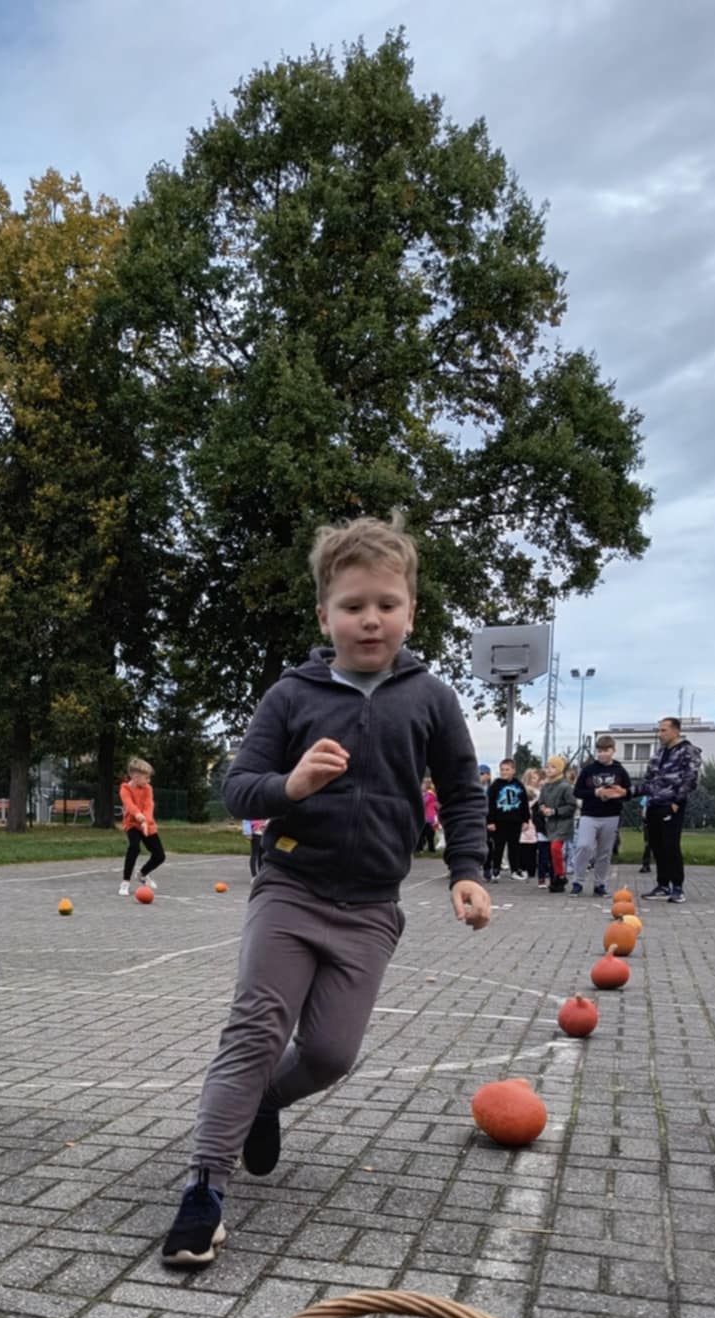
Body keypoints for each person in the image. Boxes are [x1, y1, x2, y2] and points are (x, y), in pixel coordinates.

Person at [161, 514, 490, 1266]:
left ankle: (263, 1106)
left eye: (386, 603)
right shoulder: (290, 696)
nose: (369, 619)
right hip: (290, 889)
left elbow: (465, 794)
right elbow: (238, 789)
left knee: (333, 1054)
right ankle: (203, 1190)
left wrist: (466, 873)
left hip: (373, 904)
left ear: (410, 610)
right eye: (352, 605)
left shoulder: (431, 698)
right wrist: (293, 784)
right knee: (254, 1031)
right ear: (324, 615)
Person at [640, 717, 701, 902]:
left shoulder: (688, 751)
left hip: (671, 806)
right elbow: (649, 779)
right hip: (654, 805)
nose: (660, 734)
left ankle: (677, 887)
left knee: (670, 846)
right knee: (656, 845)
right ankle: (662, 884)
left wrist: (677, 801)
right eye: (659, 730)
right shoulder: (659, 753)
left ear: (676, 731)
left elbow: (690, 779)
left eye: (664, 730)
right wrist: (646, 801)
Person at [569, 736, 632, 895]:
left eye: (606, 751)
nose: (603, 754)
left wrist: (617, 794)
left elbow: (628, 792)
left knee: (604, 851)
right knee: (584, 846)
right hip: (589, 814)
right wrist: (595, 792)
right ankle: (578, 880)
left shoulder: (620, 771)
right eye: (600, 751)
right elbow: (577, 791)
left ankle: (600, 884)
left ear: (613, 751)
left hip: (611, 815)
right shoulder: (589, 770)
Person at [119, 758, 165, 895]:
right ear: (135, 776)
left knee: (159, 855)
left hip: (147, 824)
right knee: (134, 847)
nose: (149, 780)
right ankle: (125, 882)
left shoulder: (148, 789)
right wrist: (139, 818)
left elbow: (149, 806)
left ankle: (142, 874)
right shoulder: (125, 789)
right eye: (147, 777)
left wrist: (145, 821)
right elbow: (130, 806)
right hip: (132, 823)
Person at [536, 755, 576, 893]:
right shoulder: (546, 787)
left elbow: (571, 806)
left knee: (555, 848)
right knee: (552, 851)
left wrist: (554, 811)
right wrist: (542, 808)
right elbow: (541, 802)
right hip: (551, 824)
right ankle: (557, 876)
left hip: (563, 823)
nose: (548, 769)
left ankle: (559, 875)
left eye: (552, 767)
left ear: (559, 769)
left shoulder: (565, 787)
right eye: (547, 766)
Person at [486, 759, 529, 883]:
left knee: (514, 847)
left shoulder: (519, 785)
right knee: (498, 847)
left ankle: (514, 870)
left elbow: (524, 804)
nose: (504, 772)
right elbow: (490, 805)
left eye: (507, 770)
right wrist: (490, 821)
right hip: (499, 822)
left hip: (515, 821)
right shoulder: (495, 785)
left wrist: (525, 820)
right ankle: (496, 870)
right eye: (502, 770)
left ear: (513, 771)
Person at [521, 766, 550, 882]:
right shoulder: (526, 791)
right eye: (533, 778)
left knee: (534, 845)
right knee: (524, 844)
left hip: (537, 821)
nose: (536, 780)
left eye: (537, 778)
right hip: (528, 820)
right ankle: (524, 868)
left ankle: (533, 868)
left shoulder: (541, 791)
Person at [417, 775, 440, 853]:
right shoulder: (432, 794)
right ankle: (430, 848)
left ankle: (420, 848)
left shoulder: (428, 794)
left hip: (427, 817)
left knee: (422, 834)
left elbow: (423, 803)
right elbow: (437, 805)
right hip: (431, 816)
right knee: (430, 834)